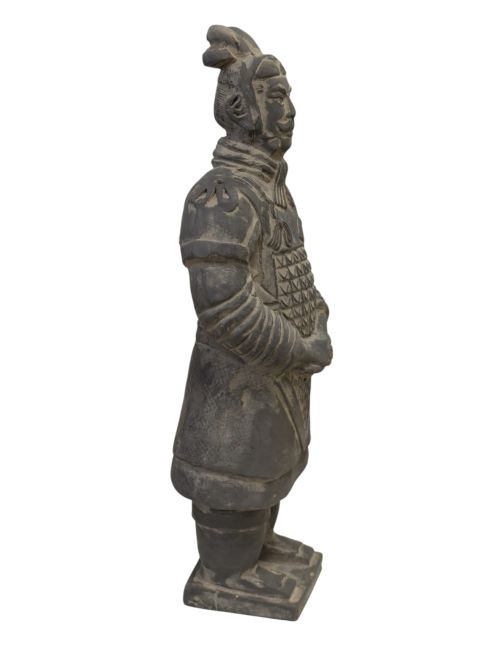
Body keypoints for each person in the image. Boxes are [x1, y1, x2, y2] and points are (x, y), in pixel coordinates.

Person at [171, 25, 333, 618]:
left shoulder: (267, 189)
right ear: (243, 110)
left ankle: (254, 552)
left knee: (266, 465)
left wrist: (316, 317)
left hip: (273, 378)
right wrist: (297, 348)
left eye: (288, 97)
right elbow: (224, 308)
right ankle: (225, 570)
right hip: (236, 383)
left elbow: (290, 269)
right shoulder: (223, 195)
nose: (289, 112)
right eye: (276, 97)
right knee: (233, 476)